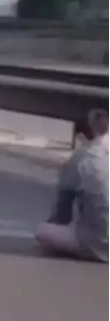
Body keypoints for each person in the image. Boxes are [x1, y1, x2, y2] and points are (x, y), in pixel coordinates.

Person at [34, 108, 110, 263]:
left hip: (96, 244)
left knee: (42, 230)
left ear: (81, 136)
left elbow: (62, 215)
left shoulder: (81, 157)